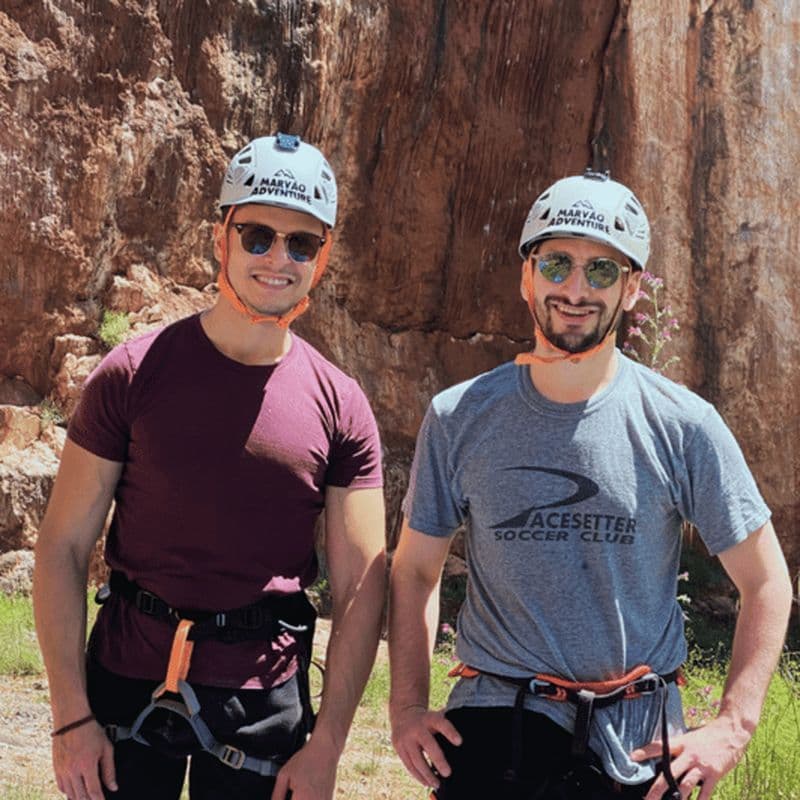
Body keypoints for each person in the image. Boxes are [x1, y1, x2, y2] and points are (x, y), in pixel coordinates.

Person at [388, 170, 792, 800]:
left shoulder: (683, 425)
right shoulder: (459, 416)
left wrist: (733, 726)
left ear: (631, 289)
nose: (576, 289)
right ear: (527, 277)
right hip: (497, 731)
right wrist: (407, 707)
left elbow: (767, 581)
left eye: (602, 270)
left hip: (639, 746)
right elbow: (415, 569)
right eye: (557, 264)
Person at [33, 132, 387, 800]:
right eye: (257, 235)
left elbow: (361, 588)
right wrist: (71, 718)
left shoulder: (341, 406)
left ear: (322, 256)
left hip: (262, 700)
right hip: (126, 685)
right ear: (219, 238)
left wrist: (328, 747)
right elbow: (63, 546)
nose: (277, 258)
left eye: (301, 243)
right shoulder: (131, 375)